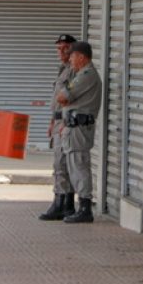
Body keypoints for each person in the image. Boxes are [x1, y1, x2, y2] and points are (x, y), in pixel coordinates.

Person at [56, 41, 102, 224]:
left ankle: (85, 208)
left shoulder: (86, 75)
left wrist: (66, 100)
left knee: (80, 167)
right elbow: (63, 100)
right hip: (72, 128)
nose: (70, 59)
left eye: (73, 56)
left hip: (79, 129)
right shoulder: (80, 74)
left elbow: (62, 97)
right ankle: (80, 205)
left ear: (82, 57)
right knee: (74, 168)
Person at [39, 34, 78, 221]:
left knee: (62, 163)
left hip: (66, 122)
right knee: (59, 163)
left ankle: (63, 203)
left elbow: (71, 100)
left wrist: (62, 122)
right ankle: (63, 201)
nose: (61, 52)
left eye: (66, 48)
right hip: (58, 121)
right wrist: (51, 122)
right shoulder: (62, 69)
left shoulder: (73, 71)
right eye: (58, 48)